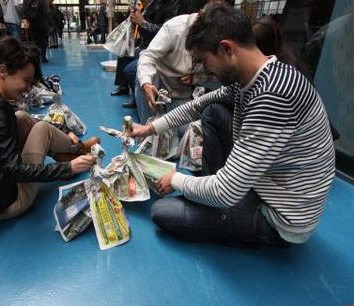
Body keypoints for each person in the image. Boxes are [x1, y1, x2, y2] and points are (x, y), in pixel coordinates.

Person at [130, 4, 336, 247]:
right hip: (267, 180)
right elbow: (198, 105)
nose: (205, 70)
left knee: (162, 212)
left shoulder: (273, 96)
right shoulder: (257, 75)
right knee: (213, 111)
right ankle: (210, 192)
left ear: (227, 48)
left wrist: (175, 179)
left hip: (282, 215)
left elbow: (226, 191)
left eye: (205, 61)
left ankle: (215, 199)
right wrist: (149, 129)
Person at [0, 37, 99, 219]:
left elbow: (27, 120)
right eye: (25, 80)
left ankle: (72, 151)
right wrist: (68, 169)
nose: (28, 89)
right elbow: (14, 170)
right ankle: (74, 155)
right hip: (6, 203)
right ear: (2, 70)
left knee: (21, 117)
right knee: (42, 128)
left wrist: (65, 129)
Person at [135, 0, 230, 125]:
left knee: (183, 131)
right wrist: (146, 84)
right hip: (158, 80)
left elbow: (220, 78)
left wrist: (197, 78)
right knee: (149, 129)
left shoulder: (222, 39)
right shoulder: (175, 27)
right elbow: (148, 56)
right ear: (200, 14)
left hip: (181, 91)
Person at [111, 0, 184, 109]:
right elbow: (142, 21)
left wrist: (142, 23)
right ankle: (123, 86)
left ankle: (138, 99)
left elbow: (166, 32)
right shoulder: (153, 3)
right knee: (124, 54)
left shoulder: (174, 4)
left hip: (160, 48)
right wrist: (135, 19)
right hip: (146, 44)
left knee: (130, 70)